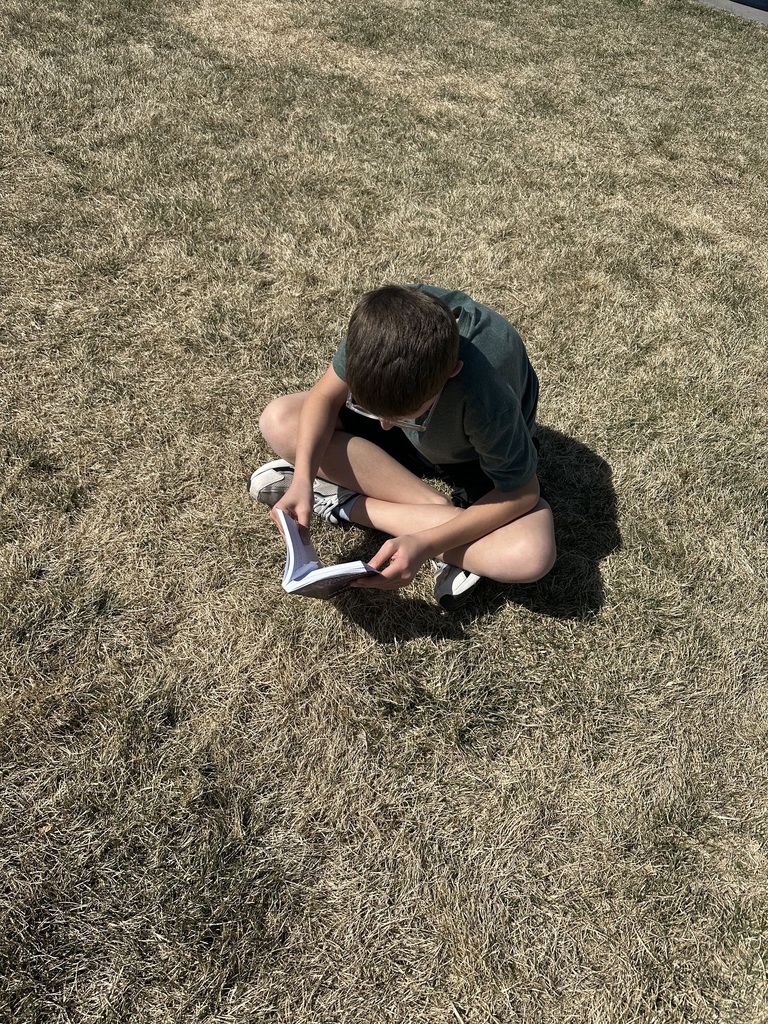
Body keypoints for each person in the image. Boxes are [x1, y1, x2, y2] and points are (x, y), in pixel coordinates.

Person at [250, 284, 556, 610]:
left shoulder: (485, 396)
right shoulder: (381, 328)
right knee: (279, 420)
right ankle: (435, 513)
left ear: (452, 373)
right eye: (373, 411)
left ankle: (344, 503)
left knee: (531, 555)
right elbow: (324, 396)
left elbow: (523, 492)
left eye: (404, 416)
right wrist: (303, 481)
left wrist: (425, 544)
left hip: (471, 457)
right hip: (423, 425)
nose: (384, 425)